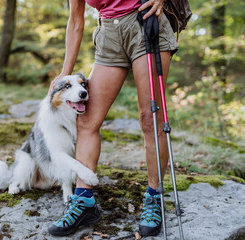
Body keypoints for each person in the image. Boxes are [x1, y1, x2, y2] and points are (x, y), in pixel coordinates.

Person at [47, 0, 178, 237]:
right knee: (86, 120)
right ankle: (84, 200)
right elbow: (75, 21)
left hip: (144, 22)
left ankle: (153, 196)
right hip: (109, 33)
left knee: (150, 117)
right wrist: (65, 73)